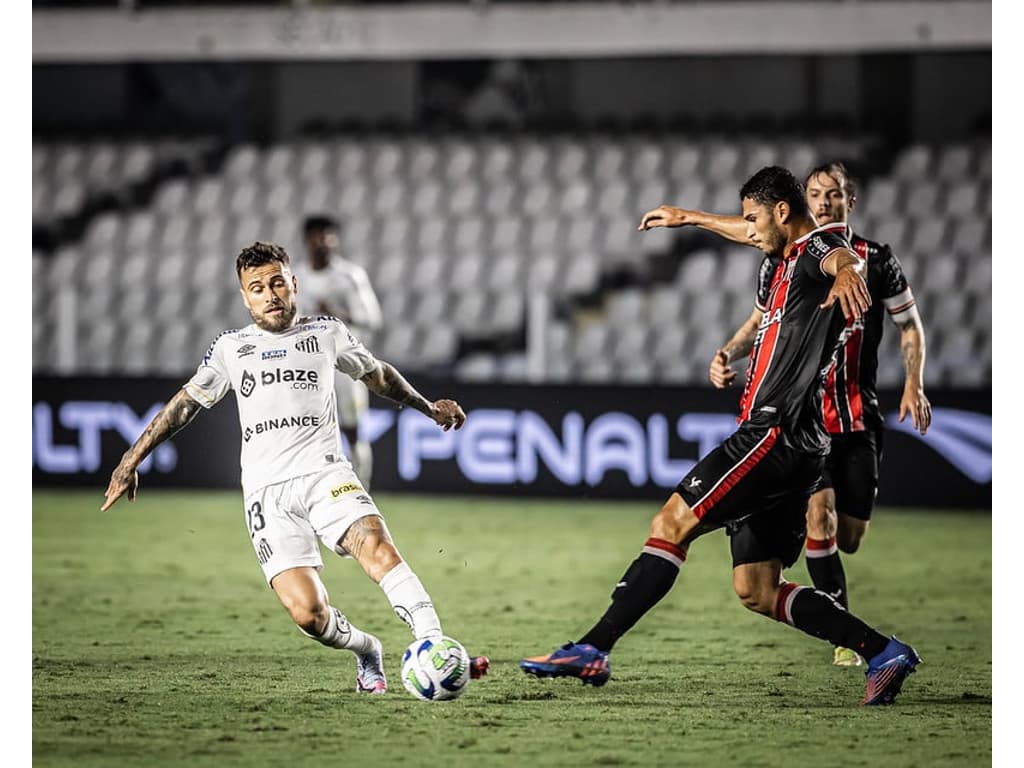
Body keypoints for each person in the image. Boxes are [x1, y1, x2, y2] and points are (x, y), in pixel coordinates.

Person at [519, 166, 920, 706]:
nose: (749, 231)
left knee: (671, 522)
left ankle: (593, 648)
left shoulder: (819, 250)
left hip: (771, 434)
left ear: (783, 211)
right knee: (756, 589)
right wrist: (690, 217)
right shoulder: (783, 258)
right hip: (803, 446)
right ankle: (882, 652)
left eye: (756, 218)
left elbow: (835, 254)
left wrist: (849, 270)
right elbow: (754, 231)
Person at [101, 241, 488, 694]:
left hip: (327, 474)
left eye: (278, 283)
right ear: (245, 297)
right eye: (258, 288)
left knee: (377, 547)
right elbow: (186, 404)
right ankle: (367, 650)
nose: (271, 294)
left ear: (293, 284)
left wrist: (428, 407)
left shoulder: (326, 332)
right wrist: (131, 459)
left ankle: (432, 642)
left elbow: (376, 374)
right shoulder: (231, 349)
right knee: (309, 613)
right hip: (267, 494)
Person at [638, 161, 931, 667]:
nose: (823, 202)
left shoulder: (871, 259)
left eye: (833, 194)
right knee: (820, 516)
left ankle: (861, 637)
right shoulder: (782, 258)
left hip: (857, 417)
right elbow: (756, 285)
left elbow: (906, 323)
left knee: (850, 535)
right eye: (815, 193)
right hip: (803, 421)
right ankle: (850, 638)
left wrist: (914, 382)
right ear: (802, 202)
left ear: (849, 201)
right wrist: (687, 218)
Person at [299, 215, 384, 489]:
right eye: (316, 236)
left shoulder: (349, 276)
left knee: (352, 430)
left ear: (335, 240)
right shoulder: (295, 277)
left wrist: (334, 314)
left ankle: (363, 492)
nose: (321, 242)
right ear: (306, 240)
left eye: (327, 235)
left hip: (343, 364)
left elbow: (372, 319)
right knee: (307, 432)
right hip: (306, 367)